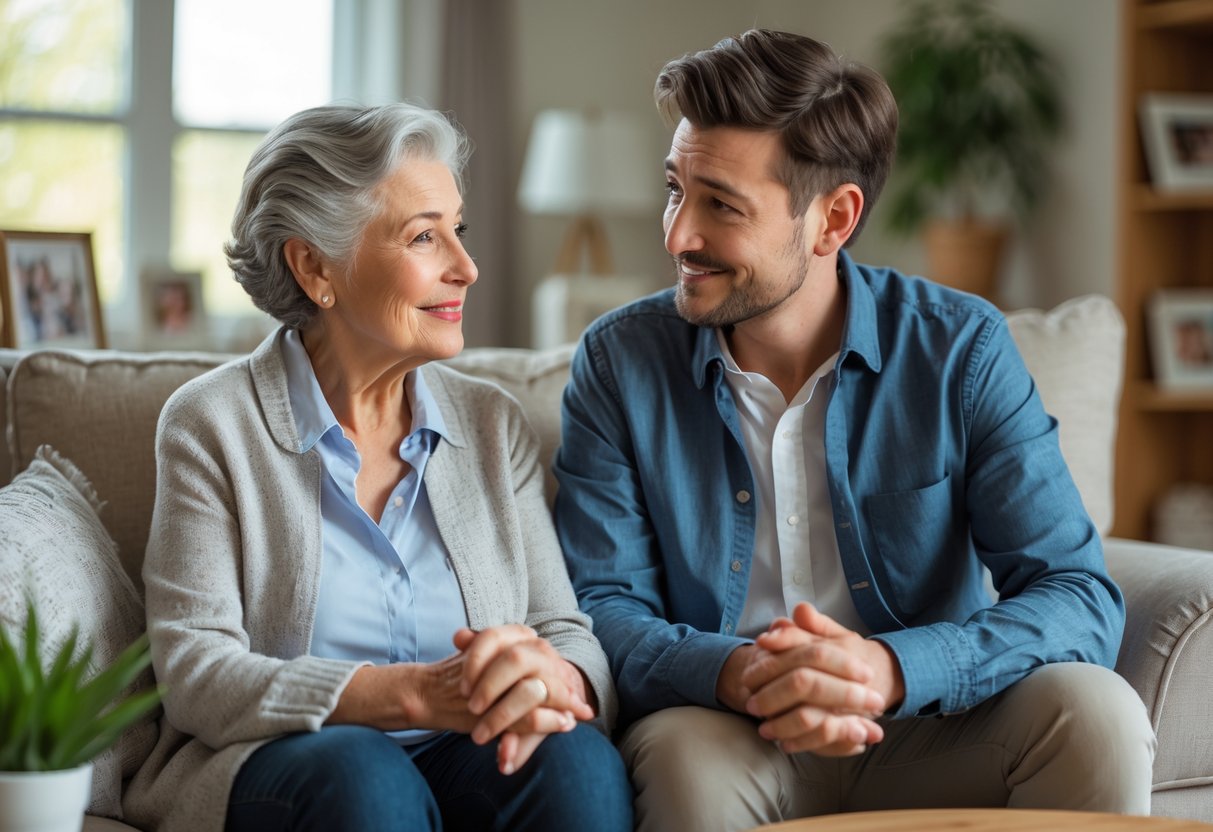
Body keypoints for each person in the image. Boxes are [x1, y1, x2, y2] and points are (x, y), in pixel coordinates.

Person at [552, 29, 1155, 832]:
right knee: (679, 760)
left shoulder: (958, 349)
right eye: (675, 189)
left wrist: (889, 669)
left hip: (929, 724)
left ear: (831, 218)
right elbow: (604, 609)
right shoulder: (619, 362)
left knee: (1096, 714)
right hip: (726, 725)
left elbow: (1075, 594)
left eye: (720, 205)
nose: (676, 236)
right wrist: (739, 672)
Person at [125, 103, 632, 832]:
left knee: (576, 760)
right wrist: (409, 695)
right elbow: (195, 674)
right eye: (424, 236)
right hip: (294, 760)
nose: (466, 267)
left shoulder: (491, 424)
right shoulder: (213, 424)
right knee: (364, 776)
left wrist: (551, 678)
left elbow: (562, 626)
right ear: (314, 265)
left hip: (467, 751)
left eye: (457, 230)